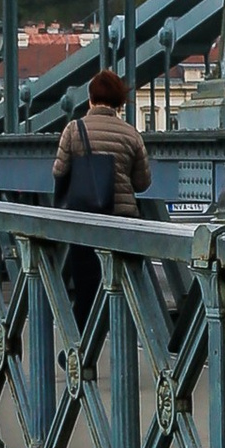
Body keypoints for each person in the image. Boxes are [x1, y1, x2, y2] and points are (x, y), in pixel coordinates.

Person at [52, 67, 149, 325]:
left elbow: (59, 172)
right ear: (119, 102)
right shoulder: (132, 134)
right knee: (123, 287)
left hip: (85, 218)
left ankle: (84, 353)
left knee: (86, 288)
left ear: (90, 99)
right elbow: (142, 183)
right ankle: (123, 350)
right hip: (123, 220)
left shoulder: (74, 129)